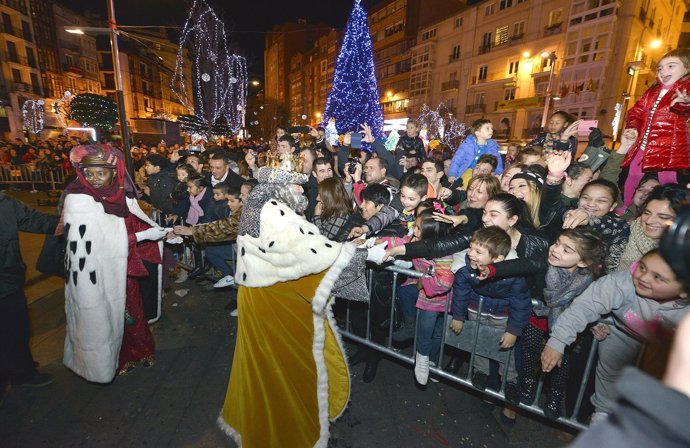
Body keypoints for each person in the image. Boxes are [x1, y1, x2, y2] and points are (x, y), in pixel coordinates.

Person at [217, 158, 374, 447]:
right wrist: (355, 253)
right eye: (297, 186)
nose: (303, 192)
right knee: (287, 369)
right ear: (280, 187)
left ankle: (261, 423)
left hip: (257, 296)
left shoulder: (256, 205)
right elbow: (312, 253)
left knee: (263, 366)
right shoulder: (275, 211)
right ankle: (289, 433)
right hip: (275, 302)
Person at [541, 249, 690, 424]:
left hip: (666, 347)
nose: (644, 278)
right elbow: (585, 306)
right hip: (623, 333)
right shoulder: (622, 283)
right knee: (610, 372)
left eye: (658, 277)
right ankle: (602, 416)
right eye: (642, 267)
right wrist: (558, 341)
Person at [60, 144, 167, 383]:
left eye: (101, 173)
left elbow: (134, 223)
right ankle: (117, 360)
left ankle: (141, 351)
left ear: (115, 172)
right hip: (97, 278)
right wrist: (141, 237)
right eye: (89, 173)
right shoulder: (80, 202)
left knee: (133, 313)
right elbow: (96, 248)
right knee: (108, 320)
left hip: (125, 268)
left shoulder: (121, 196)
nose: (94, 179)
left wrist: (160, 232)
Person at [519, 228, 606, 420]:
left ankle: (555, 396)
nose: (556, 250)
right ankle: (526, 384)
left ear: (584, 262)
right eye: (557, 243)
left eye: (567, 250)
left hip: (568, 328)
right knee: (529, 352)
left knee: (562, 363)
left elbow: (588, 306)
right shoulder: (543, 267)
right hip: (538, 318)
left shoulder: (588, 281)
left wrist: (594, 322)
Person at [451, 226, 531, 399]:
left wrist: (513, 330)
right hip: (475, 311)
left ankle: (509, 380)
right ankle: (480, 371)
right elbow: (460, 293)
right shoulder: (465, 270)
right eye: (471, 248)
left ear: (498, 258)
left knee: (504, 347)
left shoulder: (513, 275)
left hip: (502, 316)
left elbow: (520, 302)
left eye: (478, 252)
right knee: (478, 341)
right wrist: (458, 316)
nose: (471, 254)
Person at [379, 207, 454, 386]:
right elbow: (398, 241)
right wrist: (375, 241)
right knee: (410, 301)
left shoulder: (443, 253)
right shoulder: (415, 239)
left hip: (442, 296)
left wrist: (423, 283)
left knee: (436, 332)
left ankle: (427, 359)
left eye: (419, 228)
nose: (414, 230)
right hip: (425, 291)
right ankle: (419, 347)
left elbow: (444, 282)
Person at [1, 192, 58, 396]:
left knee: (18, 331)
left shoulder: (5, 203)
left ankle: (22, 373)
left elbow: (33, 220)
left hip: (9, 282)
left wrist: (71, 221)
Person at [618, 48, 690, 211]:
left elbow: (683, 108)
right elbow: (636, 111)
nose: (664, 71)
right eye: (660, 68)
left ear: (687, 68)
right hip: (643, 144)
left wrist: (685, 101)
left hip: (668, 146)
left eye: (671, 66)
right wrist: (633, 127)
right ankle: (627, 206)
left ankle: (671, 210)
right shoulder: (651, 92)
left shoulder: (685, 89)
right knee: (633, 175)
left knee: (667, 179)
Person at [447, 119, 503, 184]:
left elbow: (497, 160)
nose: (491, 130)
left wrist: (498, 173)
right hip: (469, 170)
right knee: (468, 183)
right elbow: (457, 160)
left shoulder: (492, 146)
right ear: (477, 133)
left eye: (491, 128)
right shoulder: (467, 144)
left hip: (485, 172)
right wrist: (452, 173)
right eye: (487, 128)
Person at [312, 177, 353, 242]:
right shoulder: (331, 210)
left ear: (329, 197)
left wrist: (316, 216)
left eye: (320, 195)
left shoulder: (341, 215)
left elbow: (323, 241)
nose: (317, 198)